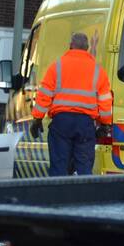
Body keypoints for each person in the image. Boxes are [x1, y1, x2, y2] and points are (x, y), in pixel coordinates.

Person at [29, 32, 113, 176]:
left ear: (70, 46)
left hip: (61, 123)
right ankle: (82, 196)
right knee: (84, 168)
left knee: (59, 166)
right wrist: (105, 124)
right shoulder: (98, 71)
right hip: (85, 125)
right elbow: (105, 101)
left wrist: (37, 119)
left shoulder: (57, 66)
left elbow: (44, 95)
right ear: (87, 48)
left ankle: (58, 196)